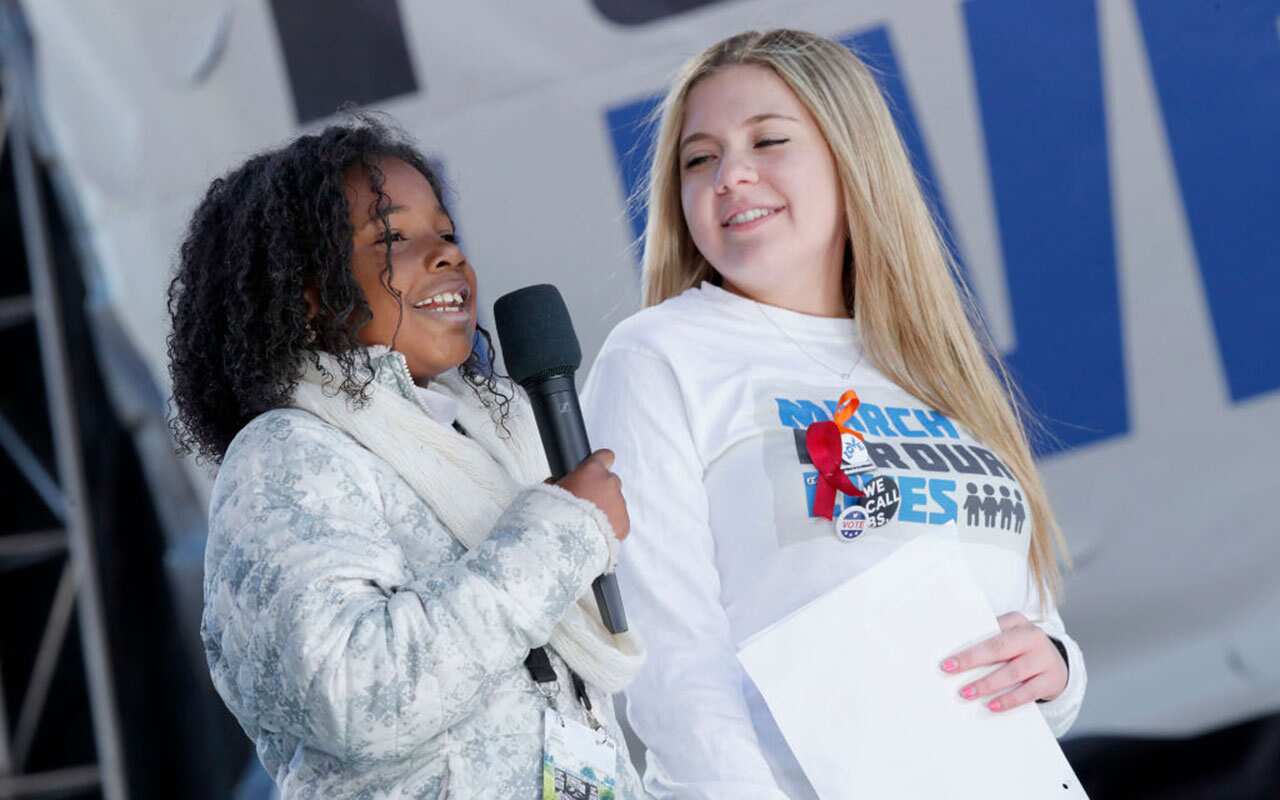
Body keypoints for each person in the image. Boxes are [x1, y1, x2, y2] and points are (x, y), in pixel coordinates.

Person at [580, 29, 1086, 798]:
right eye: (700, 158)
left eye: (768, 141)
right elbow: (672, 667)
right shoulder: (659, 356)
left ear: (853, 157)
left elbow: (1028, 638)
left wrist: (1056, 671)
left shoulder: (932, 369)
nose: (730, 176)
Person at [167, 118, 646, 798]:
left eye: (446, 233)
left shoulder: (489, 433)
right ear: (303, 295)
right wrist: (562, 533)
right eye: (394, 237)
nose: (445, 254)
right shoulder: (287, 455)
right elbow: (355, 696)